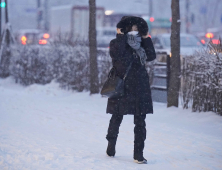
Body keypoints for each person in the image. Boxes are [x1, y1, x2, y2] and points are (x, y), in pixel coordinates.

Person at [105, 16, 156, 164]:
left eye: (137, 28)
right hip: (122, 86)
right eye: (131, 28)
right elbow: (119, 55)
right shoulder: (116, 43)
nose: (134, 31)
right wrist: (120, 36)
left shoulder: (141, 45)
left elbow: (151, 56)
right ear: (125, 29)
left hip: (140, 87)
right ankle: (111, 145)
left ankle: (138, 154)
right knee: (116, 117)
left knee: (140, 121)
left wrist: (146, 38)